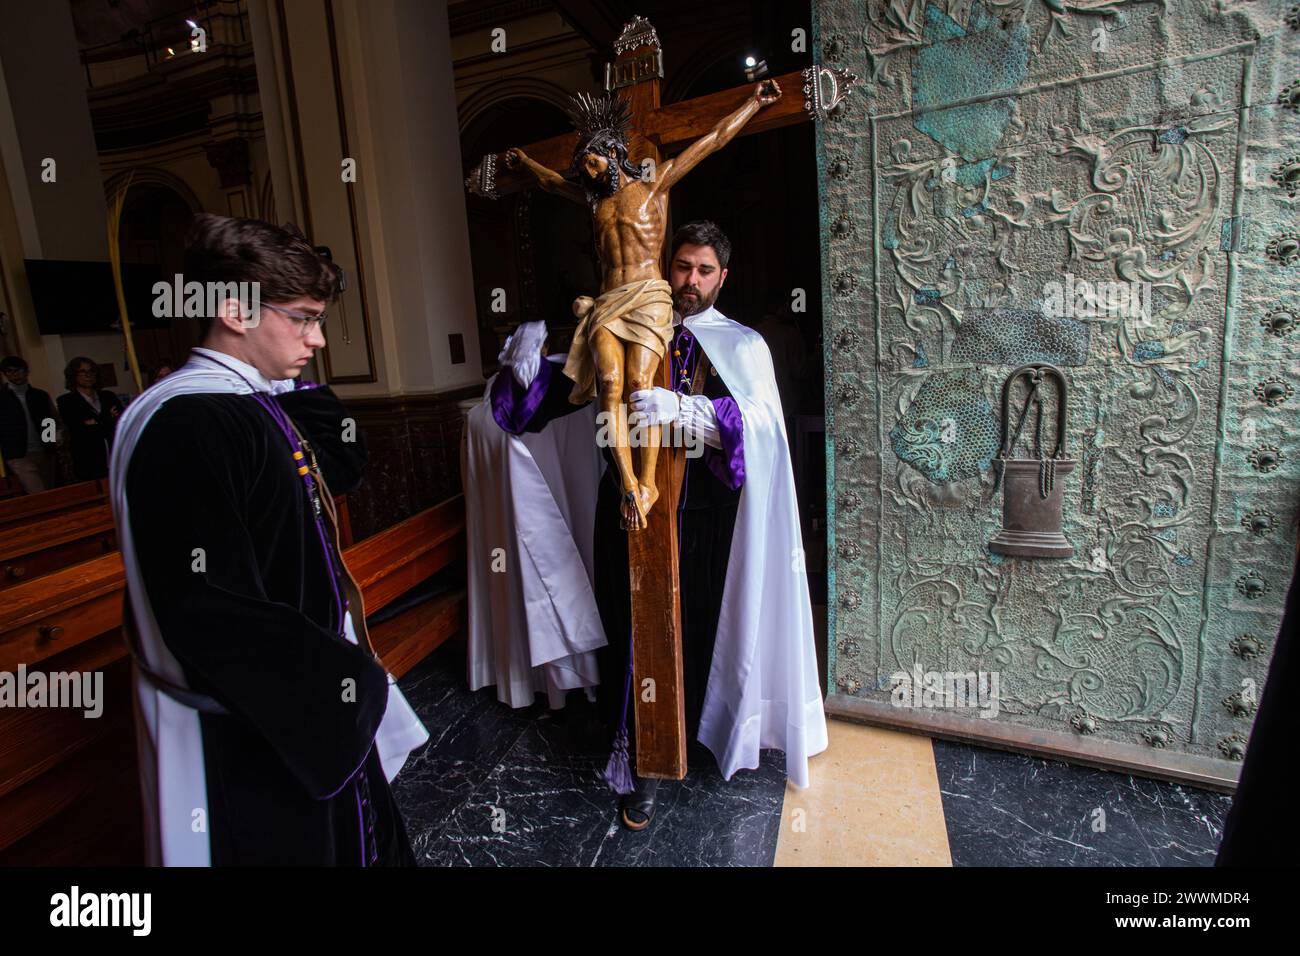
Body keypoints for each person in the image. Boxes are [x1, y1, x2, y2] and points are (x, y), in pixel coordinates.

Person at [108, 214, 427, 866]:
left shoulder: (248, 402)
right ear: (233, 309)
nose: (317, 338)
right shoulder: (191, 423)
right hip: (262, 724)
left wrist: (288, 377)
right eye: (303, 318)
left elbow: (344, 462)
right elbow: (209, 608)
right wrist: (348, 683)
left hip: (297, 704)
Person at [493, 220, 827, 828]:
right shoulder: (617, 327)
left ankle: (699, 735)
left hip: (706, 521)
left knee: (696, 629)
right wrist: (524, 370)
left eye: (704, 270)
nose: (690, 281)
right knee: (634, 632)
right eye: (682, 267)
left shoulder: (743, 344)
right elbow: (550, 400)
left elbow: (763, 428)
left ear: (723, 277)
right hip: (627, 512)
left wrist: (696, 412)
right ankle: (643, 757)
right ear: (664, 267)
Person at [56, 357, 123, 481]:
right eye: (82, 372)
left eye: (91, 371)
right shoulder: (66, 401)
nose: (88, 375)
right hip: (89, 460)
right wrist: (107, 419)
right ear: (74, 375)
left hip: (116, 456)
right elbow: (78, 429)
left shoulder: (108, 396)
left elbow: (121, 421)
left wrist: (95, 422)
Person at [1, 355, 58, 493]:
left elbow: (49, 419)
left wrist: (50, 443)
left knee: (51, 490)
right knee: (37, 490)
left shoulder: (39, 395)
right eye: (9, 371)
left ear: (26, 371)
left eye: (18, 370)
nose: (14, 375)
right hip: (18, 454)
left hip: (43, 450)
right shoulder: (2, 397)